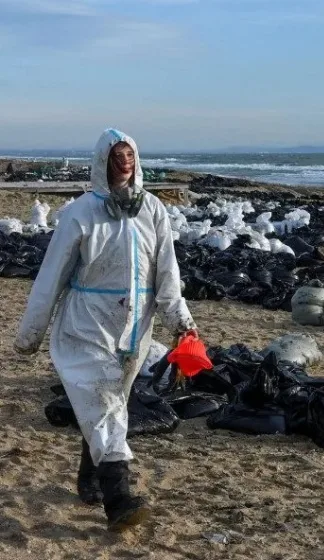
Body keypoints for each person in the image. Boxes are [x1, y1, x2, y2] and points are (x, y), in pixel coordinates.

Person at [14, 128, 196, 532]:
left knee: (110, 403)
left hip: (135, 328)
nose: (125, 161)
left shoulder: (152, 210)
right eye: (117, 155)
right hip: (87, 324)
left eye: (129, 154)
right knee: (104, 401)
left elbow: (167, 274)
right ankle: (119, 501)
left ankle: (89, 477)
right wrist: (31, 333)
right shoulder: (80, 213)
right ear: (103, 161)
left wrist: (183, 324)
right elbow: (52, 275)